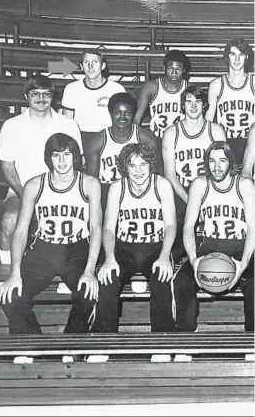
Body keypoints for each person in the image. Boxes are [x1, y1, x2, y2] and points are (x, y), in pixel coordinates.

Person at [0, 133, 102, 334]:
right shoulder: (34, 185)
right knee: (12, 296)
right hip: (43, 248)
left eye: (67, 154)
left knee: (89, 293)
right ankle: (32, 346)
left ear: (75, 156)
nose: (61, 161)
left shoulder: (90, 184)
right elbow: (21, 230)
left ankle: (71, 348)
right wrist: (14, 273)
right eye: (56, 155)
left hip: (76, 249)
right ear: (48, 158)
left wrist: (90, 270)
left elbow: (95, 228)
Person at [0, 74, 83, 265]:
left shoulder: (68, 124)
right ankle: (7, 272)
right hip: (21, 190)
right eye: (35, 93)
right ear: (26, 95)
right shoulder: (11, 125)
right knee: (10, 220)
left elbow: (76, 162)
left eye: (46, 94)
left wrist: (63, 193)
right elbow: (7, 166)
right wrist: (26, 196)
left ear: (53, 96)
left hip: (62, 191)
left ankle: (67, 271)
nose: (41, 99)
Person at [91, 143, 177, 333]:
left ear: (151, 165)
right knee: (107, 279)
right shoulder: (117, 187)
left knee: (162, 279)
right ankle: (103, 343)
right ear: (125, 167)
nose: (138, 171)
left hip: (155, 247)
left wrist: (164, 256)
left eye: (143, 165)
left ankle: (162, 342)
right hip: (124, 248)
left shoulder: (161, 184)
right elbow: (108, 229)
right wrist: (109, 258)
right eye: (132, 165)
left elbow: (171, 226)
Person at [174, 141, 255, 332]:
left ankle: (252, 341)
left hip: (241, 246)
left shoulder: (244, 184)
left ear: (231, 162)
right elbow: (188, 226)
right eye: (212, 161)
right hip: (210, 247)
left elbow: (253, 226)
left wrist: (243, 264)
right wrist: (194, 261)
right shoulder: (200, 185)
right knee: (182, 281)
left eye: (222, 161)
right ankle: (185, 341)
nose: (217, 166)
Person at [162, 85, 226, 260]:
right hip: (181, 190)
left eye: (198, 101)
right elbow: (170, 176)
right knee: (176, 237)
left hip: (209, 189)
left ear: (204, 105)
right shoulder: (171, 133)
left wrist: (207, 199)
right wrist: (192, 202)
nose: (193, 106)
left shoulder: (216, 131)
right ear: (182, 105)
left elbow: (224, 169)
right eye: (188, 101)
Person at [86, 92, 160, 213]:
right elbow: (93, 181)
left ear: (133, 114)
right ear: (110, 113)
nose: (122, 117)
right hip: (107, 192)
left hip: (138, 191)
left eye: (127, 113)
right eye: (118, 112)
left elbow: (155, 172)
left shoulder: (145, 137)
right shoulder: (99, 140)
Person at [61, 48, 126, 150]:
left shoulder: (116, 89)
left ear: (102, 66)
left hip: (108, 139)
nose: (90, 66)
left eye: (95, 62)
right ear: (82, 66)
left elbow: (123, 122)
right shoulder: (71, 89)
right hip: (81, 139)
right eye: (86, 62)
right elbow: (67, 124)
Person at [206, 38, 255, 165]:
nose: (237, 60)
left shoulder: (253, 83)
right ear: (227, 57)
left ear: (247, 57)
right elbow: (208, 121)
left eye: (241, 55)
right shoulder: (216, 85)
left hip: (250, 144)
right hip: (225, 143)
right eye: (233, 55)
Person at [133, 49, 191, 140]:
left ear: (184, 70)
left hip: (182, 140)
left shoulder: (189, 89)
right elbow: (136, 119)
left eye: (178, 69)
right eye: (170, 68)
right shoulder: (151, 87)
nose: (174, 73)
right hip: (157, 139)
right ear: (164, 68)